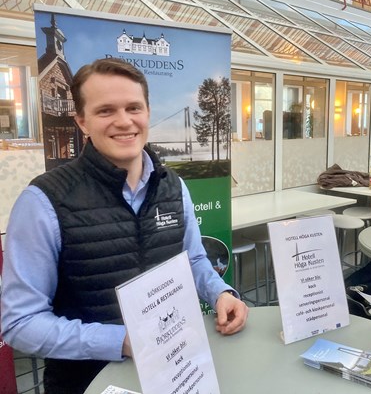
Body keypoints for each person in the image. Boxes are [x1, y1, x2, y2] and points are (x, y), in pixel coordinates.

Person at [0, 58, 248, 393]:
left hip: (177, 371)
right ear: (82, 121)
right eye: (106, 111)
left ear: (148, 112)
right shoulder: (43, 202)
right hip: (88, 384)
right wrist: (121, 341)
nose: (124, 121)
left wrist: (219, 293)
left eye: (134, 107)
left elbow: (192, 259)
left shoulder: (173, 185)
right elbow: (20, 323)